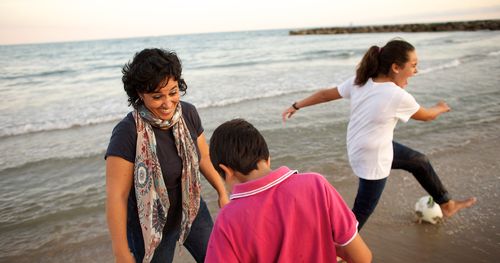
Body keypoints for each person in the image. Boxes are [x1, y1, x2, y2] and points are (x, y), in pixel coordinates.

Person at [282, 39, 476, 230]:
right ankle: (337, 251)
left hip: (361, 146)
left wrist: (296, 105)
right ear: (396, 67)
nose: (416, 71)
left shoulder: (361, 81)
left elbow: (326, 94)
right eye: (414, 65)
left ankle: (447, 205)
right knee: (361, 212)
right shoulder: (397, 96)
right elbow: (426, 116)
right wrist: (440, 108)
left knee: (419, 161)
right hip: (374, 158)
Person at [105, 48, 229, 263]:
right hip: (151, 226)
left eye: (173, 92)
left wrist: (222, 191)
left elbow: (205, 158)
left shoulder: (188, 113)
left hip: (192, 209)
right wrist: (121, 253)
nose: (168, 103)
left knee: (216, 259)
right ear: (139, 94)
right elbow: (117, 196)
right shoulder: (127, 133)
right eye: (156, 96)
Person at [206, 119, 372, 263]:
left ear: (226, 171)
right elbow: (363, 258)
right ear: (267, 158)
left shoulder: (227, 219)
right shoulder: (315, 184)